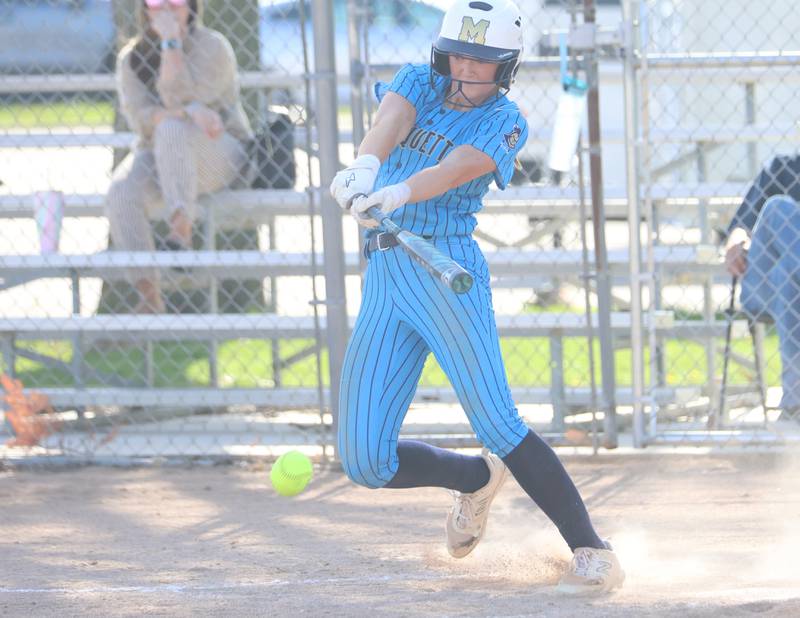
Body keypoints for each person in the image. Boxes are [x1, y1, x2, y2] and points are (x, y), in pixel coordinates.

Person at [329, 0, 624, 593]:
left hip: (446, 272)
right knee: (364, 461)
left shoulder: (506, 120)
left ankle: (593, 550)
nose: (465, 68)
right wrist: (364, 168)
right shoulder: (421, 80)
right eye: (457, 54)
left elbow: (456, 168)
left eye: (481, 60)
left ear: (506, 67)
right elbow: (390, 120)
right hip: (387, 270)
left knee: (497, 422)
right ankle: (473, 478)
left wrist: (397, 192)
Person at [106, 0, 253, 313]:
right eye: (156, 2)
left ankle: (181, 230)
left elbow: (181, 100)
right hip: (159, 156)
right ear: (144, 8)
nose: (166, 9)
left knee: (171, 128)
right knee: (121, 192)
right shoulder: (132, 58)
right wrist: (187, 111)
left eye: (175, 2)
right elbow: (140, 119)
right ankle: (148, 295)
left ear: (191, 6)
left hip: (220, 152)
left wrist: (171, 44)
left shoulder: (214, 46)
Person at [724, 155, 800, 419]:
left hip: (786, 286)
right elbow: (739, 228)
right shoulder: (783, 167)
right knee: (777, 208)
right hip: (761, 284)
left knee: (787, 274)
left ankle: (795, 400)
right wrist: (736, 239)